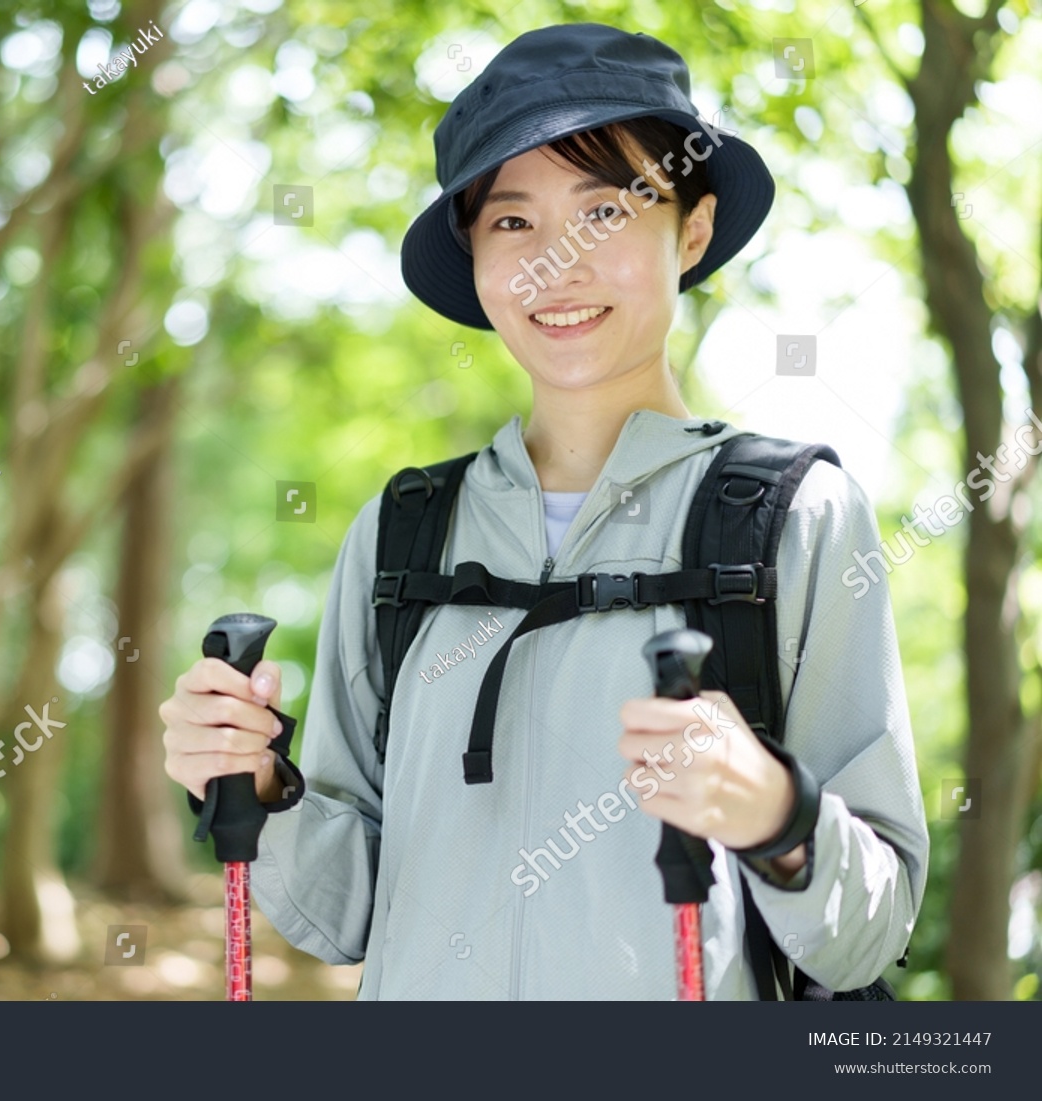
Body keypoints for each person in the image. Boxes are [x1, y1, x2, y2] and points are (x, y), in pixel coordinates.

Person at [159, 23, 928, 999]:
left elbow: (869, 933)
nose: (553, 264)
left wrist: (778, 814)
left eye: (604, 211)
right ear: (475, 256)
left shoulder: (795, 518)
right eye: (512, 222)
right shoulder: (403, 534)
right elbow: (342, 916)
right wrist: (253, 784)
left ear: (690, 230)